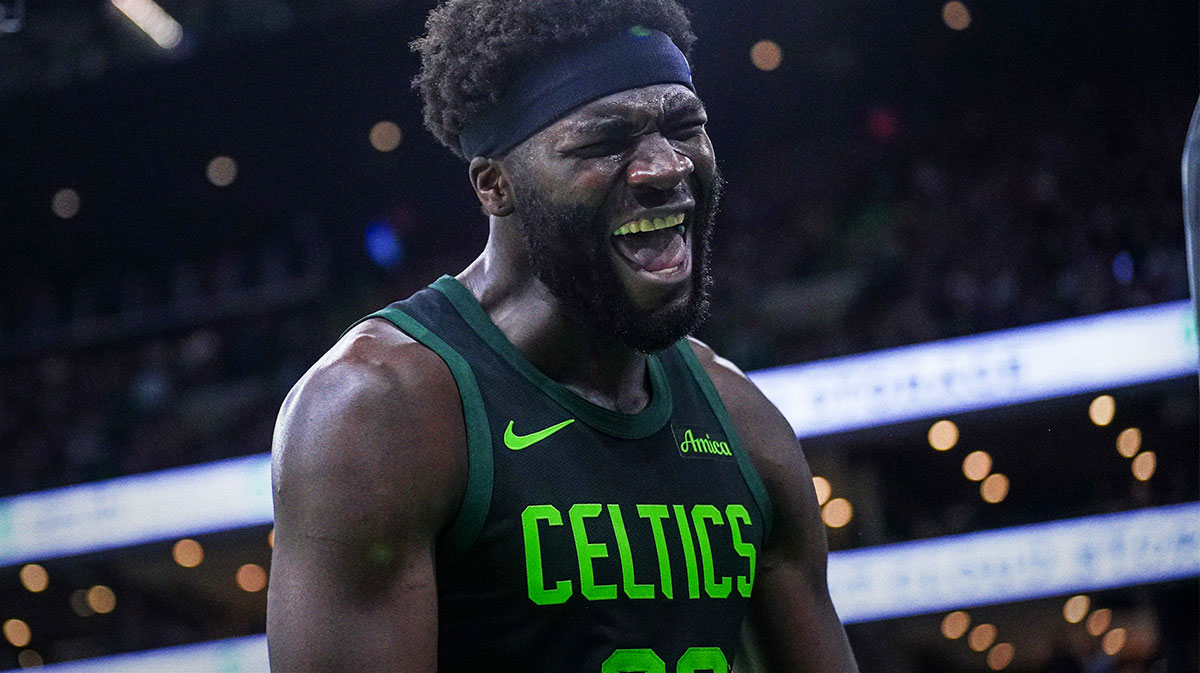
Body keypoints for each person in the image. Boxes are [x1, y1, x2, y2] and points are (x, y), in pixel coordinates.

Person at [267, 0, 860, 670]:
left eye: (684, 126)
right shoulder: (376, 413)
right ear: (495, 186)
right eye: (606, 141)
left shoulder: (743, 421)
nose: (665, 167)